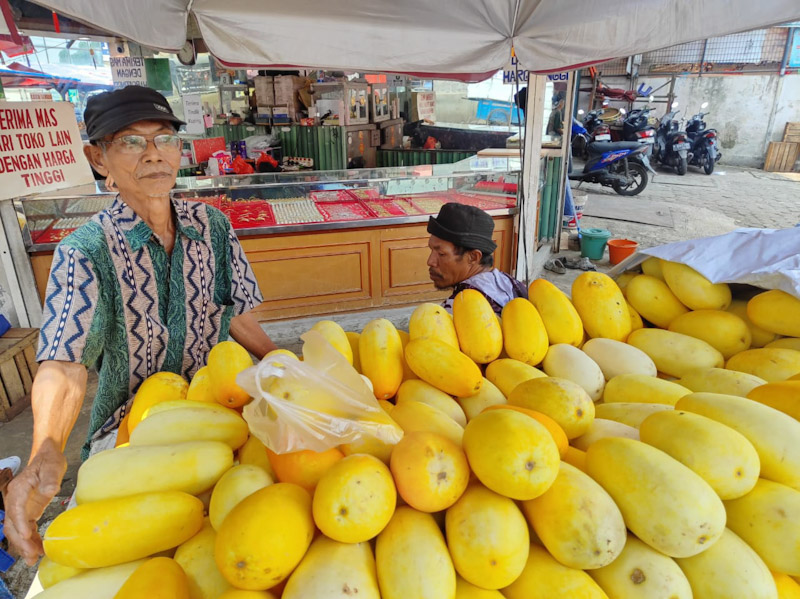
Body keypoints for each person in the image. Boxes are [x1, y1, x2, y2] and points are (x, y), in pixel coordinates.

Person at [5, 87, 278, 565]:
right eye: (131, 141)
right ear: (98, 158)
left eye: (165, 138)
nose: (153, 154)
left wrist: (279, 363)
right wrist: (45, 450)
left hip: (219, 416)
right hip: (135, 436)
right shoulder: (83, 252)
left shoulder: (212, 226)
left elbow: (234, 310)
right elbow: (64, 363)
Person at [427, 203, 527, 314]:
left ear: (473, 257)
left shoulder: (457, 308)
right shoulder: (510, 282)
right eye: (431, 250)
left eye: (441, 254)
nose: (430, 261)